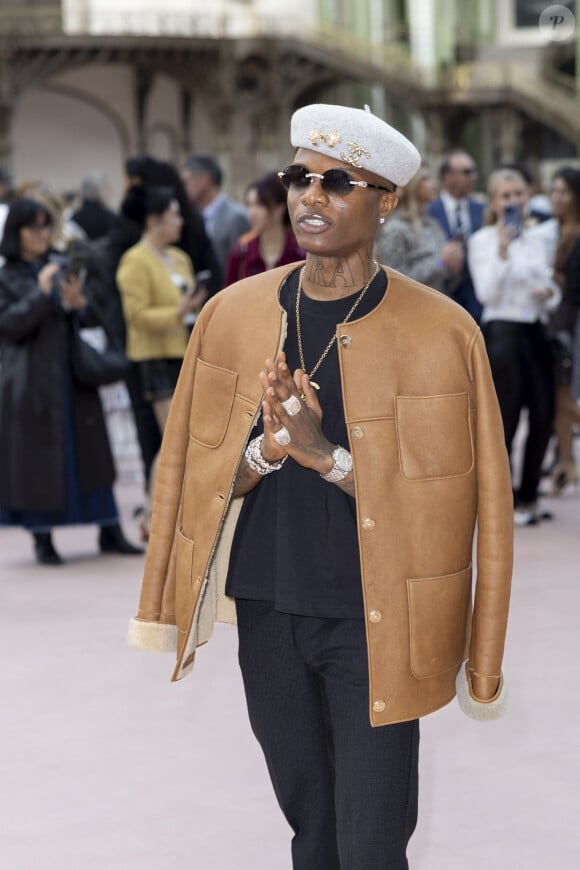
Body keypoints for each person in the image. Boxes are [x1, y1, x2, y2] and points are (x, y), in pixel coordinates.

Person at [128, 104, 513, 868]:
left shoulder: (442, 333)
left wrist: (326, 455)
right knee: (312, 833)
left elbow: (457, 504)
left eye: (338, 182)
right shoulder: (232, 315)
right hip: (269, 610)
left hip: (374, 619)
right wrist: (269, 452)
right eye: (300, 177)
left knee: (370, 843)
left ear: (387, 200)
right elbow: (196, 475)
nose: (311, 196)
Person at [0, 198, 143, 564]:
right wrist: (42, 293)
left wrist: (80, 303)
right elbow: (10, 325)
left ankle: (109, 529)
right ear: (16, 234)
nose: (42, 234)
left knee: (92, 453)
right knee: (39, 462)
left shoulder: (60, 265)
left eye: (46, 226)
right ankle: (42, 537)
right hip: (32, 382)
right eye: (33, 228)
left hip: (74, 375)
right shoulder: (8, 276)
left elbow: (93, 315)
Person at [468, 168, 561, 526]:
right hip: (502, 331)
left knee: (543, 414)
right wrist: (504, 252)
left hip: (535, 329)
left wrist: (548, 293)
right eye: (505, 195)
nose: (513, 201)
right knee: (504, 418)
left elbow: (551, 289)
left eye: (518, 193)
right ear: (493, 201)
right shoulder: (483, 240)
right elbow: (486, 294)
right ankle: (500, 501)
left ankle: (530, 495)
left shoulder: (539, 238)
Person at [116, 186, 202, 535]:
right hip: (153, 358)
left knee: (179, 438)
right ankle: (153, 514)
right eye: (173, 214)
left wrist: (191, 309)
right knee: (173, 439)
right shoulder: (135, 260)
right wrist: (177, 311)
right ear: (154, 220)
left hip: (182, 351)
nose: (179, 221)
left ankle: (157, 514)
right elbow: (136, 315)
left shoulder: (180, 258)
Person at [544, 167, 580, 492]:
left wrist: (558, 281)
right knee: (561, 397)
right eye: (554, 190)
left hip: (572, 322)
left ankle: (566, 463)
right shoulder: (551, 230)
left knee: (568, 398)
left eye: (564, 191)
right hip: (556, 323)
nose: (558, 197)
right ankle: (565, 463)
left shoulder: (576, 234)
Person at [375, 162, 463, 292]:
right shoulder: (395, 229)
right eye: (425, 179)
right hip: (412, 307)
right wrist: (441, 262)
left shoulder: (431, 222)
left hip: (439, 303)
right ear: (412, 185)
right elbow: (396, 280)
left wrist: (453, 262)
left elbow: (442, 275)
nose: (433, 184)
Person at [428, 148, 485, 320]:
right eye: (467, 172)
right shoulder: (429, 213)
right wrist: (442, 261)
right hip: (441, 297)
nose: (473, 177)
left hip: (476, 300)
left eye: (474, 171)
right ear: (447, 177)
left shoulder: (482, 210)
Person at [181, 154, 251, 283]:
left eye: (187, 182)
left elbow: (242, 265)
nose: (184, 188)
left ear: (204, 180)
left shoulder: (235, 217)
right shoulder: (192, 217)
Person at [224, 171, 304, 285]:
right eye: (249, 205)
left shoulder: (301, 253)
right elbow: (229, 297)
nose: (252, 212)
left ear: (279, 209)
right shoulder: (240, 254)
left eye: (259, 205)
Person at [71, 171, 116, 240]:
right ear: (99, 191)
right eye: (106, 188)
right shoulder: (110, 218)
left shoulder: (74, 218)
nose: (110, 191)